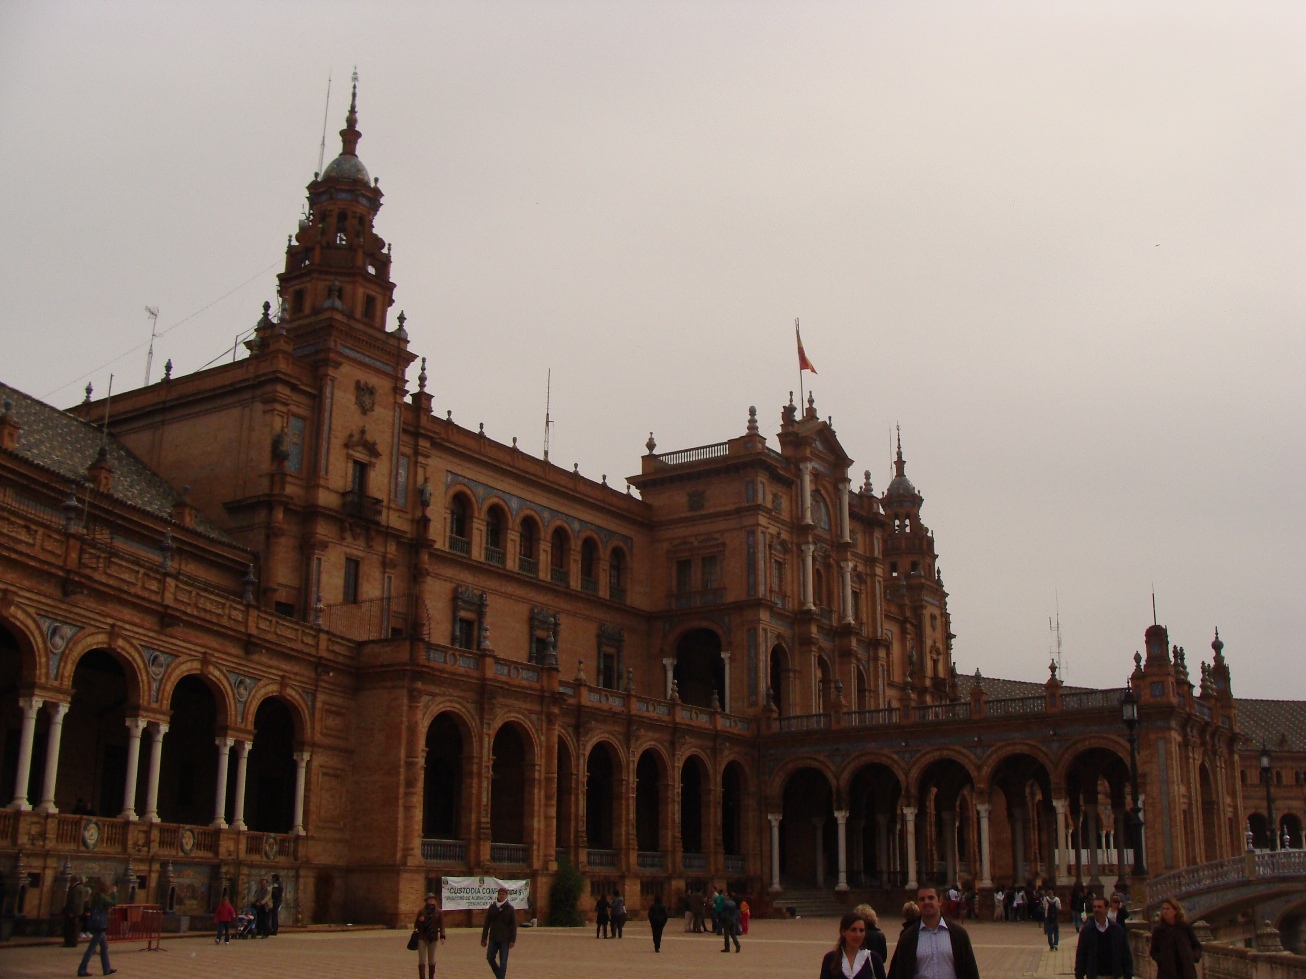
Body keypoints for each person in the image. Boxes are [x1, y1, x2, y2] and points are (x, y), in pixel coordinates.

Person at [887, 885, 981, 979]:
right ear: (918, 904)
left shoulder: (958, 935)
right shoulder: (908, 938)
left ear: (939, 901)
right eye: (922, 899)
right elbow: (898, 972)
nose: (926, 902)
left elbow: (971, 971)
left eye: (931, 898)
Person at [1074, 896, 1133, 979]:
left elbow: (1126, 954)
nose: (1096, 910)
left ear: (1107, 908)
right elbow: (1081, 955)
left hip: (1114, 975)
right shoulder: (1087, 931)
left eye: (1099, 907)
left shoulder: (1117, 930)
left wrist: (1128, 974)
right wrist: (1079, 975)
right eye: (1094, 907)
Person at [823, 911, 887, 979]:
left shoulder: (874, 959)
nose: (858, 935)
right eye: (853, 930)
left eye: (861, 930)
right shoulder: (830, 959)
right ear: (843, 932)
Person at [1150, 898, 1201, 979]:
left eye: (1168, 909)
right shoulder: (1159, 930)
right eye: (1163, 909)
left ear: (1175, 911)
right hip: (1167, 973)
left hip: (1186, 972)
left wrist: (1193, 957)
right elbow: (1153, 951)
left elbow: (1197, 946)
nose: (1165, 911)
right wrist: (1161, 960)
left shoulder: (1185, 927)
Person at [76, 880, 117, 977]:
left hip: (97, 923)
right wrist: (114, 893)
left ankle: (106, 968)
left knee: (104, 946)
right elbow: (113, 903)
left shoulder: (97, 896)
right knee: (91, 948)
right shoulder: (102, 897)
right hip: (100, 924)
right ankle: (82, 969)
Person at [481, 885, 517, 979]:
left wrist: (512, 940)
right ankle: (500, 976)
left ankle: (501, 977)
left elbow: (513, 925)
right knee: (490, 957)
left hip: (505, 938)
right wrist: (484, 938)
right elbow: (487, 923)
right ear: (497, 895)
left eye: (503, 894)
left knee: (503, 961)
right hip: (494, 937)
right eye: (500, 894)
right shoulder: (492, 907)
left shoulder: (510, 908)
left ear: (506, 896)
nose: (501, 896)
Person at [414, 891, 447, 979]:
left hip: (433, 937)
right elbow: (416, 925)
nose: (431, 901)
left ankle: (431, 977)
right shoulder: (421, 911)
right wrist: (420, 921)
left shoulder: (439, 912)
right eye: (429, 899)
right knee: (422, 959)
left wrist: (442, 936)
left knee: (431, 959)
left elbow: (442, 925)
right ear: (426, 901)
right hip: (422, 937)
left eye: (432, 899)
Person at [63, 875, 87, 948]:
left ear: (72, 881)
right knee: (75, 927)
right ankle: (73, 942)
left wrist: (71, 912)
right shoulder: (82, 887)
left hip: (74, 911)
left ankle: (70, 942)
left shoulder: (76, 889)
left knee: (71, 927)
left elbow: (74, 901)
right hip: (79, 911)